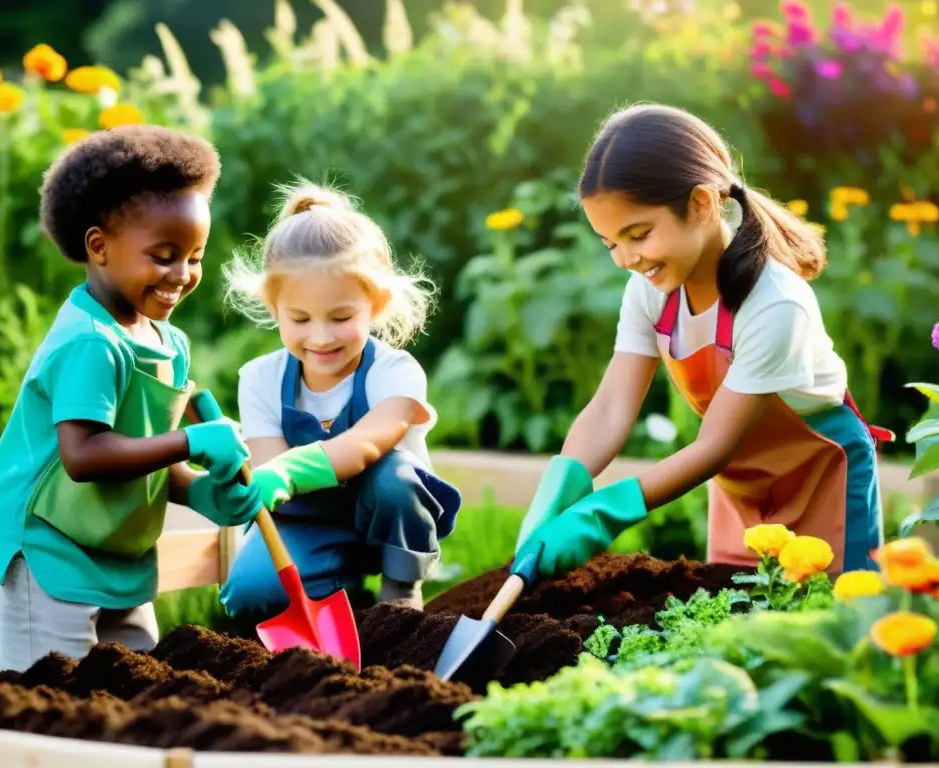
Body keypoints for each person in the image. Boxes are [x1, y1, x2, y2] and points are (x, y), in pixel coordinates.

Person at [515, 103, 891, 580]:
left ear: (701, 204)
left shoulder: (774, 303)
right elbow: (612, 406)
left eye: (638, 234)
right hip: (740, 485)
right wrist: (562, 483)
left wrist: (605, 510)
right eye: (610, 242)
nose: (625, 259)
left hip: (820, 477)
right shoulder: (651, 292)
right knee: (732, 626)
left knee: (824, 627)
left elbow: (715, 444)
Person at [0, 125, 266, 675]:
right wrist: (191, 440)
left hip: (113, 548)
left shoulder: (164, 339)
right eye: (163, 256)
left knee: (133, 681)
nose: (182, 274)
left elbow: (143, 457)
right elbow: (87, 457)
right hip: (46, 550)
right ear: (99, 247)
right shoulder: (90, 342)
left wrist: (201, 493)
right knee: (51, 695)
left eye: (194, 256)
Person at [219, 181, 462, 616]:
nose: (321, 336)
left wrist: (289, 470)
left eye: (341, 317)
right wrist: (267, 478)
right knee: (250, 596)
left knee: (395, 476)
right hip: (309, 523)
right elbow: (270, 471)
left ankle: (400, 591)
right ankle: (341, 594)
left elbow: (368, 442)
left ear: (376, 304)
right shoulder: (260, 379)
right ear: (273, 309)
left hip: (386, 520)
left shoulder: (395, 371)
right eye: (300, 318)